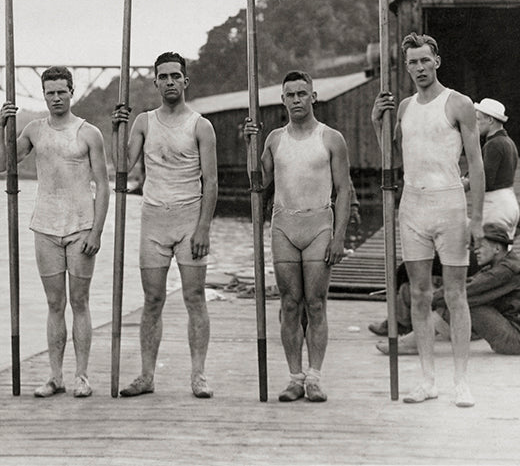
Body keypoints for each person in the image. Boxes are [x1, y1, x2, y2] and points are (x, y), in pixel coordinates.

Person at [371, 32, 485, 408]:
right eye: (411, 63)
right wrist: (377, 123)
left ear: (436, 61)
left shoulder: (458, 103)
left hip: (449, 203)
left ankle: (462, 382)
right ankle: (427, 380)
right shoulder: (403, 107)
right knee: (419, 294)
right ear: (405, 67)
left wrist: (478, 219)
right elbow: (391, 159)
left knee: (454, 293)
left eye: (424, 61)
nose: (418, 68)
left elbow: (477, 165)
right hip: (413, 205)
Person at [0, 66, 110, 398]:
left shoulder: (88, 133)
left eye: (62, 91)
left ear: (72, 91)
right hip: (45, 226)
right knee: (55, 303)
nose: (56, 98)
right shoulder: (34, 130)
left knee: (80, 301)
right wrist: (1, 125)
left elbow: (103, 186)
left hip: (80, 226)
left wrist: (97, 232)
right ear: (43, 94)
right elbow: (2, 164)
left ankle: (82, 376)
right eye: (50, 92)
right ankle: (56, 376)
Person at [112, 52, 218, 398]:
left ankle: (199, 375)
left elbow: (212, 183)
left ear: (185, 81)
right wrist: (118, 130)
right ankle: (146, 375)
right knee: (152, 299)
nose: (170, 81)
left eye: (176, 75)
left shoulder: (201, 125)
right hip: (154, 220)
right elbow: (124, 166)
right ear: (155, 82)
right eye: (163, 76)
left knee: (194, 297)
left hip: (189, 219)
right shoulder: (143, 122)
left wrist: (203, 228)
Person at [244, 71, 351, 403]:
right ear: (283, 100)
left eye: (302, 94)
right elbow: (258, 182)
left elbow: (345, 189)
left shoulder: (331, 138)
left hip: (319, 223)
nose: (296, 100)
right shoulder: (275, 139)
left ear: (313, 97)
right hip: (284, 225)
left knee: (316, 304)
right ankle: (295, 377)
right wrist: (249, 143)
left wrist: (338, 237)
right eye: (290, 95)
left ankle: (315, 377)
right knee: (289, 304)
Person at [377, 222, 520, 355]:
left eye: (481, 246)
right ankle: (415, 341)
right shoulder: (503, 265)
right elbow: (469, 283)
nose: (476, 251)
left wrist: (424, 298)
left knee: (460, 301)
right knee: (457, 300)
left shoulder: (506, 271)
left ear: (497, 248)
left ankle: (413, 343)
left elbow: (465, 291)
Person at [471, 98, 520, 241]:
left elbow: (485, 180)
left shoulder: (494, 144)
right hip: (509, 201)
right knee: (503, 251)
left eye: (478, 119)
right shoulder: (508, 142)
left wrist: (466, 184)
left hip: (495, 205)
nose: (475, 124)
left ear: (490, 120)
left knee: (489, 252)